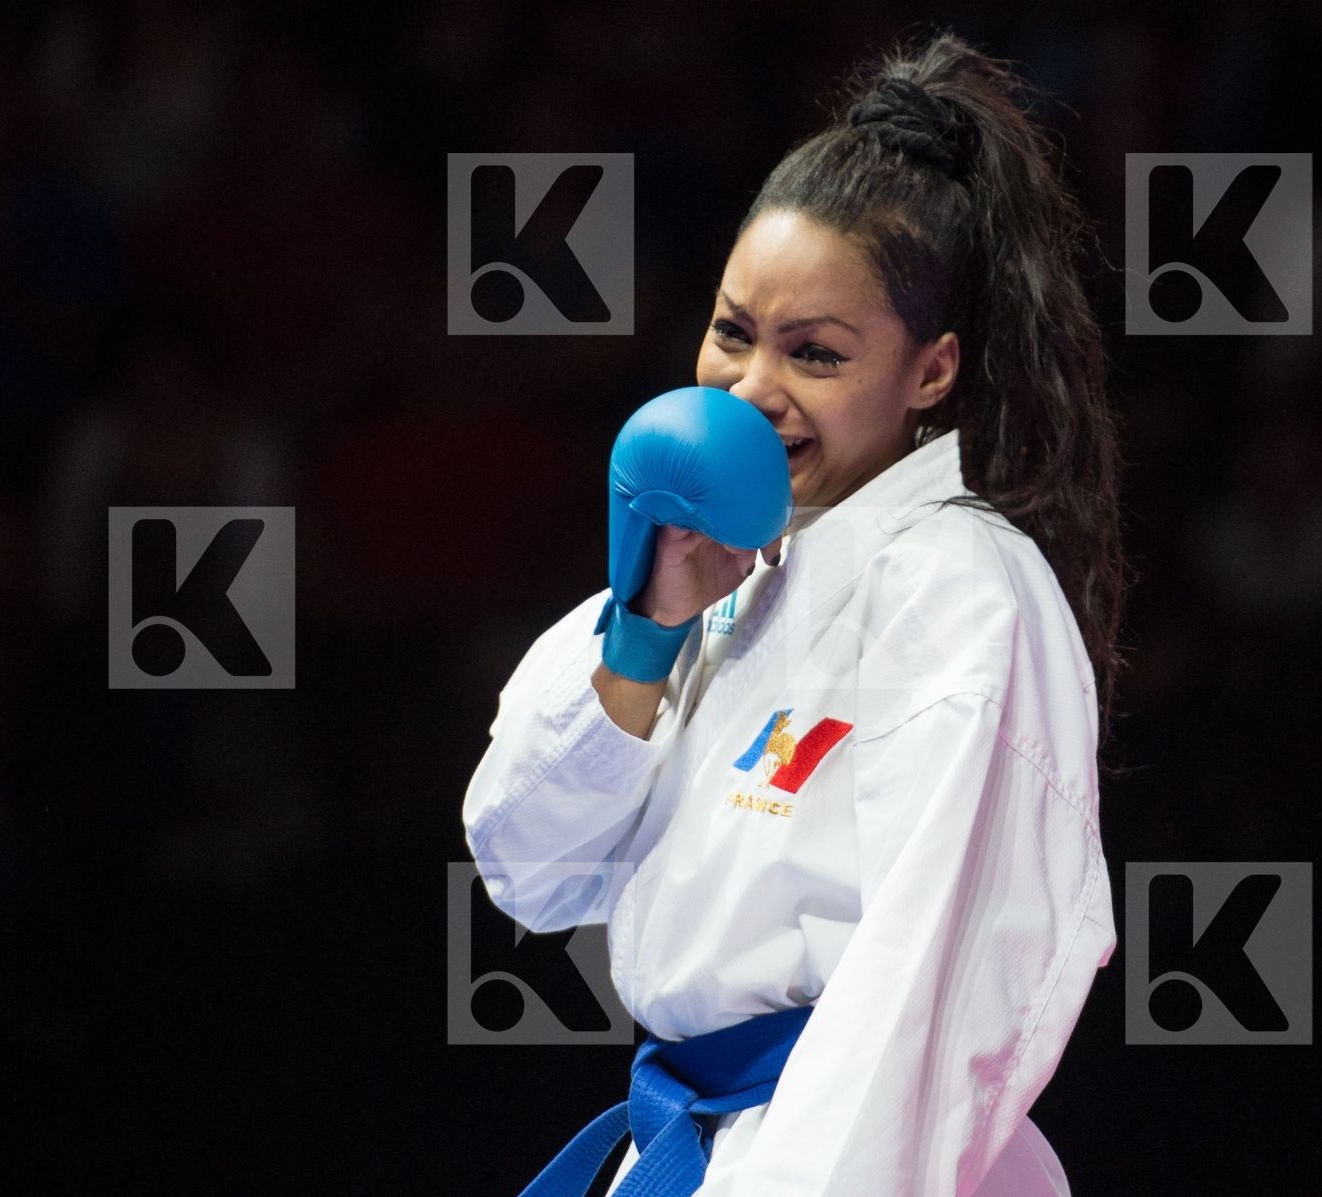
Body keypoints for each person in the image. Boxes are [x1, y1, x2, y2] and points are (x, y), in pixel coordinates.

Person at [462, 29, 1129, 1197]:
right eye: (733, 332)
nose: (752, 389)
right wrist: (645, 625)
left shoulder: (962, 588)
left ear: (930, 373)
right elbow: (528, 867)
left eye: (815, 354)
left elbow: (936, 997)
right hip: (697, 1143)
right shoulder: (724, 572)